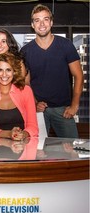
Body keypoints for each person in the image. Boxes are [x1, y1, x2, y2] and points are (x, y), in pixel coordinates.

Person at [21, 4, 84, 138]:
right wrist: (35, 103)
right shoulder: (26, 51)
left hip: (63, 110)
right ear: (32, 25)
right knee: (37, 152)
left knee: (71, 152)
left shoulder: (66, 45)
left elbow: (78, 76)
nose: (42, 24)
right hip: (38, 111)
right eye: (37, 20)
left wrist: (74, 106)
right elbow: (26, 83)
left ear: (51, 22)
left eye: (45, 19)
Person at [0, 53, 38, 140]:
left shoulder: (26, 91)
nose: (4, 74)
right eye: (0, 70)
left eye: (8, 70)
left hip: (21, 146)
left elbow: (33, 127)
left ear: (14, 72)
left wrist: (24, 134)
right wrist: (9, 134)